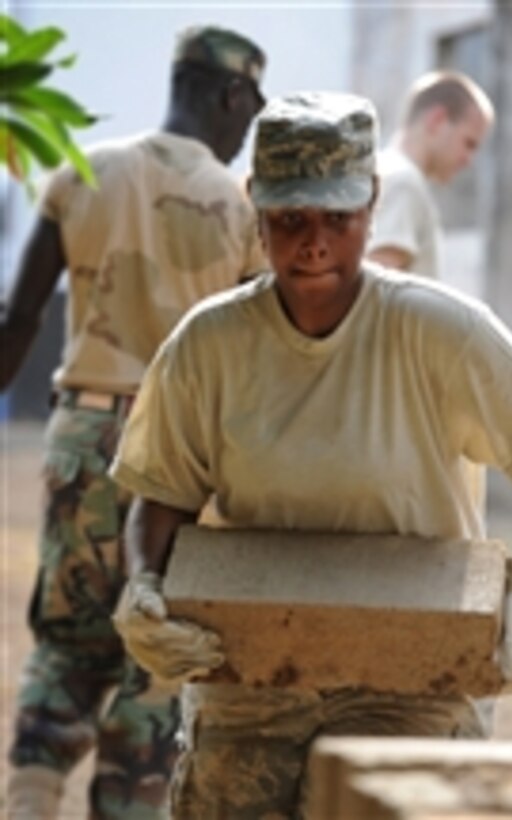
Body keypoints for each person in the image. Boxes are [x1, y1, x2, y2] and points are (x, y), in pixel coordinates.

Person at [110, 91, 512, 818]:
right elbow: (163, 492)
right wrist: (143, 585)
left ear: (371, 204)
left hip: (411, 680)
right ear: (257, 209)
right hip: (252, 677)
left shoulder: (438, 330)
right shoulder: (208, 346)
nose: (313, 244)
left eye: (337, 219)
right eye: (290, 221)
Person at [1, 25, 268, 820]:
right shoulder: (239, 207)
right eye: (251, 106)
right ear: (230, 95)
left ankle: (27, 801)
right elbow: (252, 363)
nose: (249, 124)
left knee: (66, 644)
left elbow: (19, 319)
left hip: (80, 439)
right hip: (178, 461)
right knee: (151, 664)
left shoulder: (82, 172)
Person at [367, 70, 494, 279]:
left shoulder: (379, 172)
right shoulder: (404, 183)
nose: (468, 160)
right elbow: (377, 296)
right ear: (437, 120)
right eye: (469, 143)